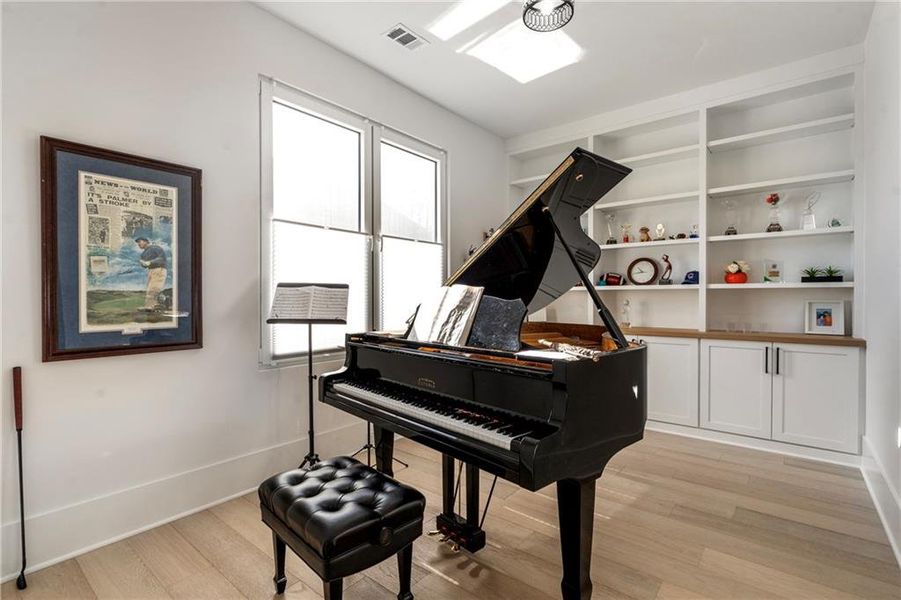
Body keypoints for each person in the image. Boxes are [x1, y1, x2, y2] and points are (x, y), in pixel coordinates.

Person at [134, 237, 167, 311]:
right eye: (137, 243)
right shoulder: (143, 254)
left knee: (153, 288)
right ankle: (154, 305)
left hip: (159, 269)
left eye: (140, 241)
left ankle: (150, 307)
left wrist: (150, 262)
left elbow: (162, 259)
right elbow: (144, 266)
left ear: (146, 241)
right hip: (151, 271)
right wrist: (142, 263)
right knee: (150, 289)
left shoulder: (155, 248)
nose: (139, 244)